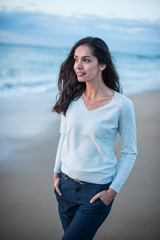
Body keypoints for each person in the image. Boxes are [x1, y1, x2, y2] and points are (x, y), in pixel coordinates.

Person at [52, 37, 137, 240]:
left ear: (102, 65)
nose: (78, 66)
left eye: (86, 60)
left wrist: (112, 191)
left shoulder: (122, 105)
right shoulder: (70, 99)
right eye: (75, 59)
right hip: (65, 188)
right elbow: (64, 137)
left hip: (97, 193)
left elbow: (130, 152)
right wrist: (56, 174)